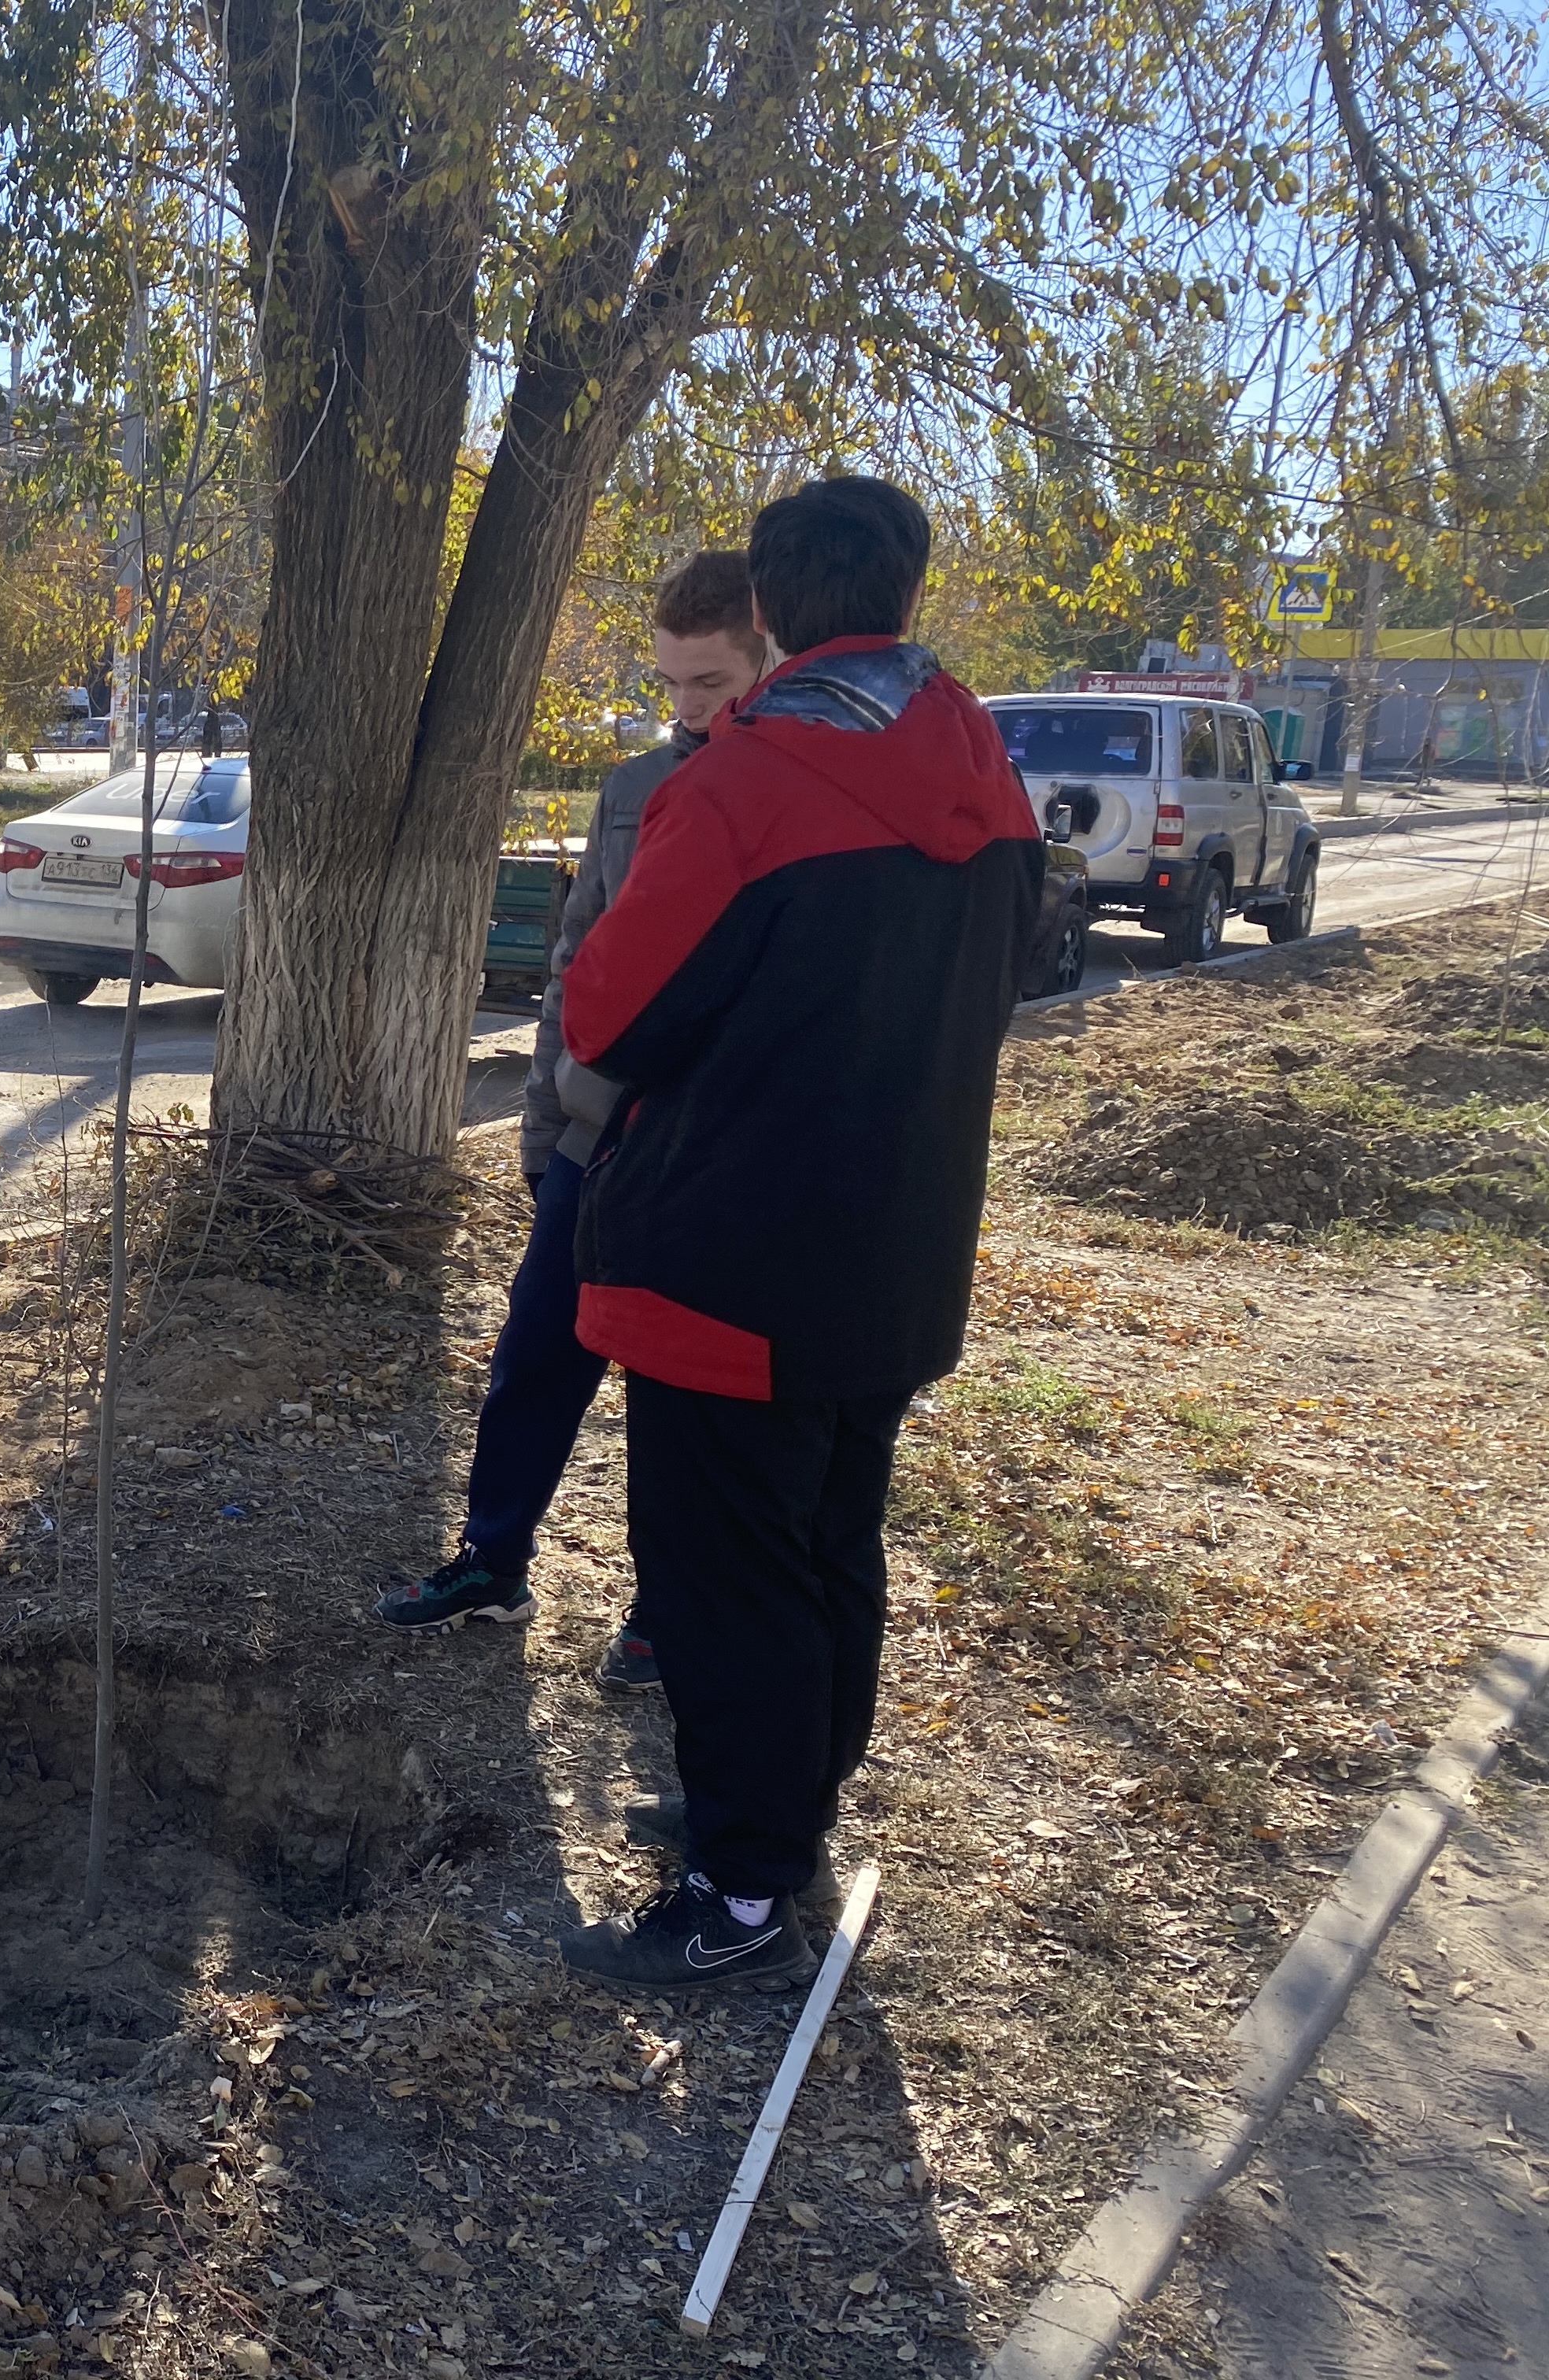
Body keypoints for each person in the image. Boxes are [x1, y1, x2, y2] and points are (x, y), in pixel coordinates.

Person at [549, 477, 1041, 1990]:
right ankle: (784, 1816)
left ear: (767, 610)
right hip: (893, 1247)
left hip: (727, 1254)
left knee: (721, 1572)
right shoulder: (982, 760)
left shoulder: (744, 780)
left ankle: (742, 1887)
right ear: (905, 591)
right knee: (830, 1543)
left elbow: (611, 1008)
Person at [379, 552, 767, 1688]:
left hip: (700, 1162)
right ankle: (492, 1562)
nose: (691, 710)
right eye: (673, 685)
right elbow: (575, 958)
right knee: (535, 1355)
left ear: (767, 660)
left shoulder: (778, 801)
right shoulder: (636, 789)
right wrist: (546, 1127)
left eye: (711, 682)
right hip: (593, 1148)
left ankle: (664, 1609)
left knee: (673, 1389)